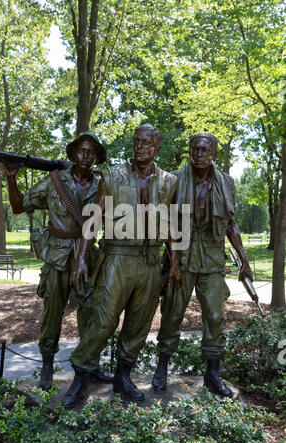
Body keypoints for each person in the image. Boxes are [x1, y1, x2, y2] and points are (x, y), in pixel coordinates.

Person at [62, 123, 179, 409]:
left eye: (146, 143)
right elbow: (94, 219)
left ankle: (123, 376)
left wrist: (174, 261)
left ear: (157, 147)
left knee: (138, 323)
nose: (140, 147)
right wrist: (80, 260)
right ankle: (82, 374)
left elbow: (171, 224)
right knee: (103, 320)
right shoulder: (112, 175)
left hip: (150, 261)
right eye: (136, 142)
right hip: (117, 257)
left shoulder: (168, 182)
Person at [3, 131, 113, 391]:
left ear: (97, 157)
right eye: (82, 150)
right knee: (53, 312)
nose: (86, 156)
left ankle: (90, 365)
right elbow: (19, 206)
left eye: (91, 152)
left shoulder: (104, 184)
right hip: (58, 257)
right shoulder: (55, 181)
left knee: (92, 311)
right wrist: (11, 179)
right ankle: (47, 365)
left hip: (88, 258)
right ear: (74, 153)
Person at [152, 132, 254, 398]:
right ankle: (161, 368)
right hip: (181, 255)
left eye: (205, 150)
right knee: (172, 312)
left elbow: (231, 223)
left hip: (211, 255)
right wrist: (173, 261)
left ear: (214, 154)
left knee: (215, 317)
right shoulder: (174, 180)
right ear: (190, 151)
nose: (200, 154)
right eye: (195, 149)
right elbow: (167, 224)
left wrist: (243, 259)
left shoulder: (226, 183)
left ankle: (212, 374)